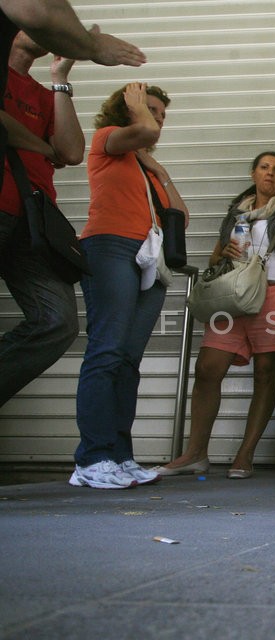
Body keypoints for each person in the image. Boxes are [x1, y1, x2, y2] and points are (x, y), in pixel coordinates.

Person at [69, 82, 188, 489]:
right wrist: (137, 107)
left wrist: (161, 172)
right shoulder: (107, 141)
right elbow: (145, 133)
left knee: (127, 361)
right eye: (150, 108)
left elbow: (179, 217)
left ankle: (119, 456)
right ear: (128, 108)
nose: (157, 118)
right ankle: (91, 458)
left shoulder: (144, 167)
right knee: (106, 351)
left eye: (162, 113)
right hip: (110, 248)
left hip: (146, 259)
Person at [153, 152, 275, 480]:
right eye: (264, 167)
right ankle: (195, 454)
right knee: (207, 368)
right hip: (232, 296)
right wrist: (225, 251)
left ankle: (245, 454)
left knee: (265, 372)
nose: (270, 174)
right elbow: (216, 256)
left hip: (274, 293)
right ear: (253, 172)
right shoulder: (237, 213)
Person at [0, 30, 84, 407]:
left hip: (32, 221)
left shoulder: (43, 94)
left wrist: (60, 81)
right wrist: (39, 145)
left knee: (58, 322)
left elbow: (70, 151)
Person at [0, 0, 145, 149]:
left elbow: (72, 153)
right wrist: (94, 46)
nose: (50, 29)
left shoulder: (44, 96)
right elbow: (35, 10)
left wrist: (60, 77)